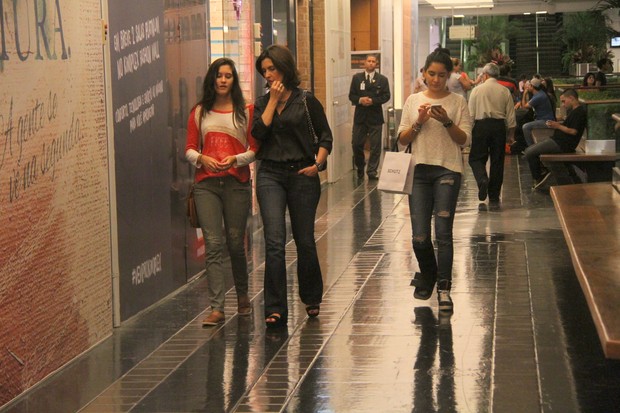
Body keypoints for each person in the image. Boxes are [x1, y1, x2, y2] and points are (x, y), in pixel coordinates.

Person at [252, 45, 333, 328]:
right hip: (270, 175)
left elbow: (325, 137)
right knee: (274, 242)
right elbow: (258, 133)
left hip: (302, 173)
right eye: (264, 71)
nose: (268, 74)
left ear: (285, 68)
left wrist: (318, 165)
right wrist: (273, 101)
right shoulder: (262, 103)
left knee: (304, 240)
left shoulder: (306, 100)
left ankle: (311, 297)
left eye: (272, 68)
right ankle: (274, 307)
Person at [397, 51, 472, 312]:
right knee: (419, 237)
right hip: (418, 172)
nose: (436, 79)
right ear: (424, 73)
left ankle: (443, 288)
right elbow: (402, 140)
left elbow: (464, 140)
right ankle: (428, 275)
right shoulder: (413, 100)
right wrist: (419, 121)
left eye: (442, 75)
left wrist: (446, 121)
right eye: (432, 74)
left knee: (443, 233)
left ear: (449, 75)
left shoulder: (458, 101)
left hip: (448, 171)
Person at [185, 58, 258, 326]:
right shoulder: (199, 112)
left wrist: (235, 160)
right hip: (206, 185)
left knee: (236, 244)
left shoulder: (246, 111)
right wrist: (202, 159)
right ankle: (217, 308)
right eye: (219, 75)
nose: (223, 80)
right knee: (213, 245)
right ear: (212, 79)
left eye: (228, 75)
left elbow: (254, 149)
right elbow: (190, 149)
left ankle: (242, 296)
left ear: (234, 80)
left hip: (236, 184)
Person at [467, 63, 516, 205]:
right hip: (498, 127)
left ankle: (482, 179)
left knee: (476, 158)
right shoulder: (504, 91)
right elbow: (511, 116)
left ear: (485, 75)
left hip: (481, 126)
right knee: (497, 161)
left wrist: (468, 134)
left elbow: (470, 115)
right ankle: (494, 195)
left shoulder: (477, 90)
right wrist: (511, 135)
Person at [523, 88, 588, 189]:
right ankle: (541, 172)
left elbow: (573, 131)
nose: (563, 104)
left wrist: (557, 126)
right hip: (558, 140)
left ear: (571, 98)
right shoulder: (574, 111)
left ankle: (538, 177)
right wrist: (557, 125)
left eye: (563, 101)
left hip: (562, 144)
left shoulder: (579, 112)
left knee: (529, 152)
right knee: (529, 151)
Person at [349, 54, 391, 180]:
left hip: (375, 117)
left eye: (373, 61)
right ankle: (360, 167)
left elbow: (386, 96)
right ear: (365, 63)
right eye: (369, 61)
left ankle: (372, 171)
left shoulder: (382, 80)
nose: (371, 63)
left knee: (375, 146)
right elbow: (351, 96)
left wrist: (373, 101)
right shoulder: (357, 78)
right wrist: (360, 100)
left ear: (376, 64)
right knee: (356, 144)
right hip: (360, 117)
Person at [518, 77, 555, 147]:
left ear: (532, 87)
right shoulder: (540, 93)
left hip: (546, 121)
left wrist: (525, 93)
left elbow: (524, 106)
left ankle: (531, 147)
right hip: (543, 119)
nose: (527, 87)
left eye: (529, 85)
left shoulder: (538, 96)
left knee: (525, 127)